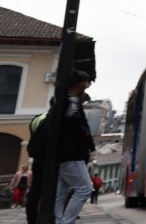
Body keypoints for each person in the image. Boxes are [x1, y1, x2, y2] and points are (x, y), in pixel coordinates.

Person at [55, 70, 97, 224]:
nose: (87, 86)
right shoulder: (72, 100)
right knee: (84, 189)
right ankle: (67, 222)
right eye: (86, 83)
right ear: (81, 84)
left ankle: (58, 221)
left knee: (61, 192)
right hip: (72, 153)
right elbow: (72, 118)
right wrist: (84, 132)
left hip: (64, 152)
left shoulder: (62, 98)